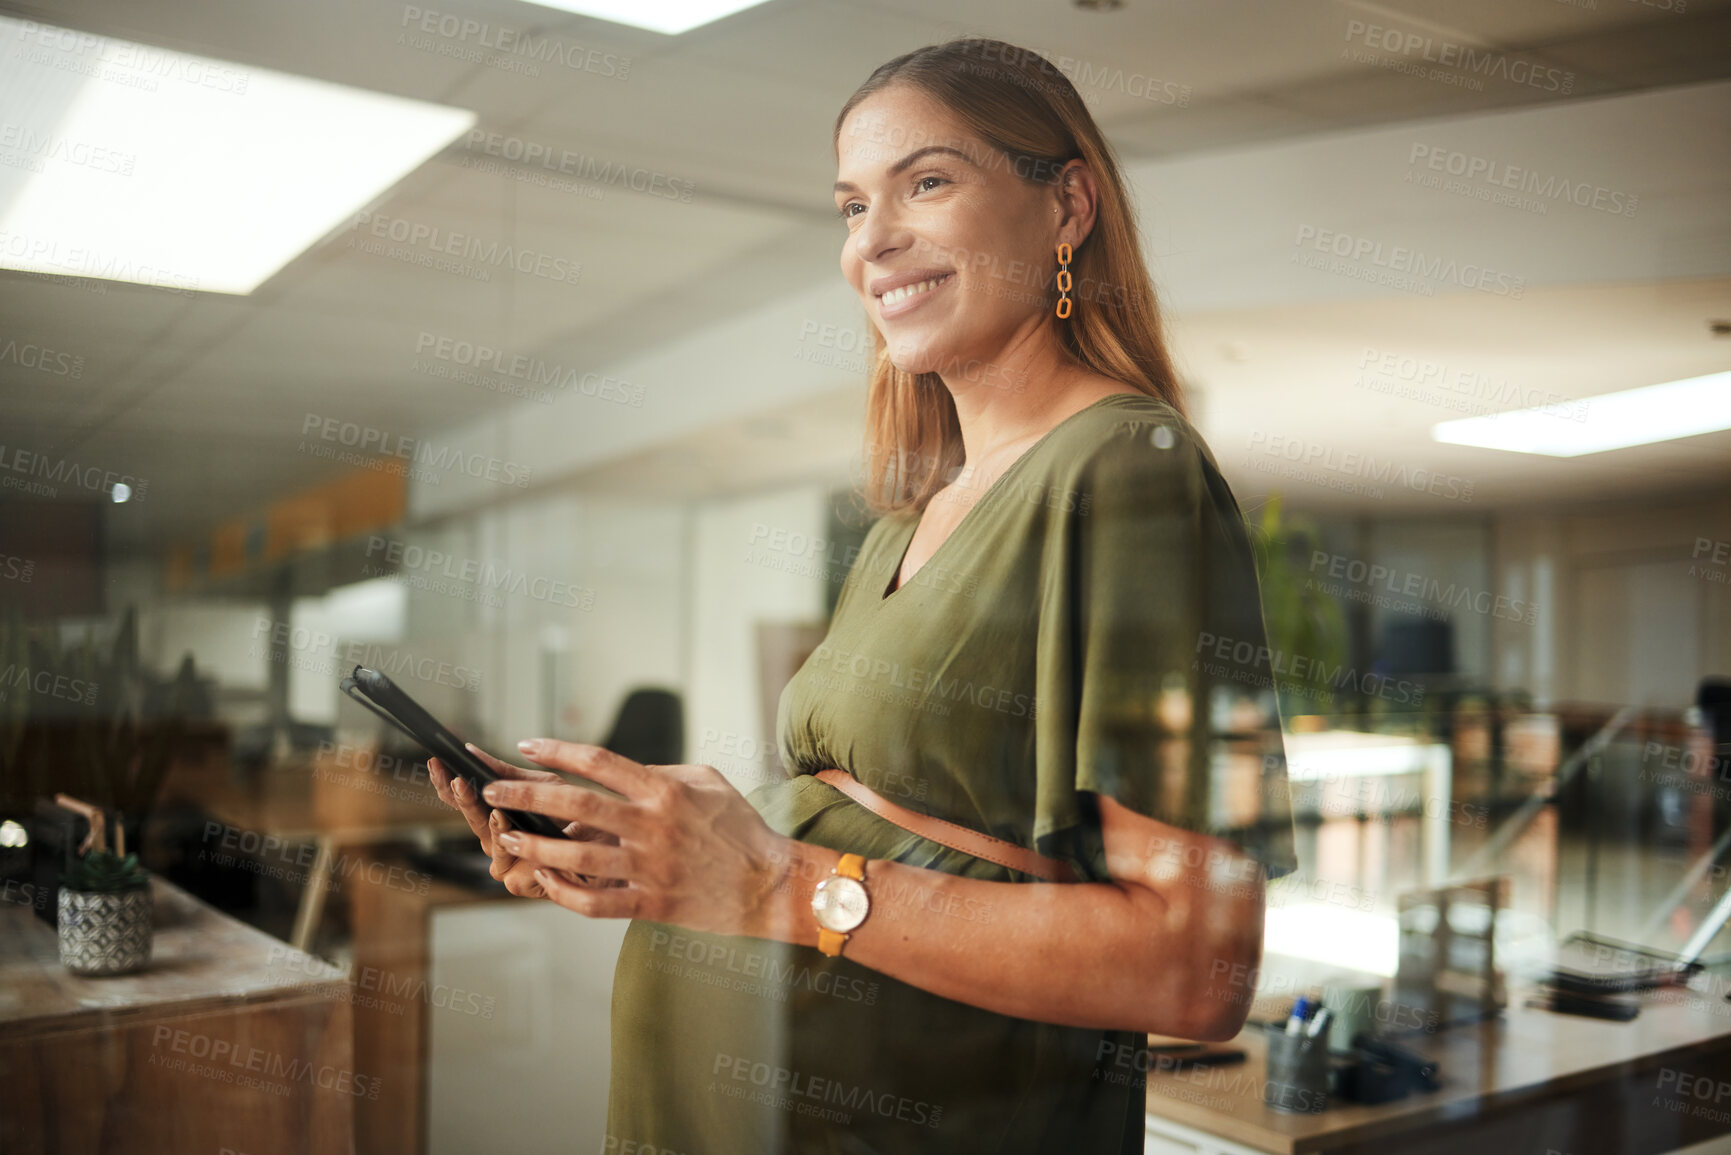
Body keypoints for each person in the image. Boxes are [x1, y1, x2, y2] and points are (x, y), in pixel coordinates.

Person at [428, 37, 1299, 1155]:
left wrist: (771, 885)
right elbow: (834, 839)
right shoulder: (905, 521)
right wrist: (637, 852)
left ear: (1067, 204)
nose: (870, 244)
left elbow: (1194, 969)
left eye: (926, 182)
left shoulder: (1126, 468)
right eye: (849, 206)